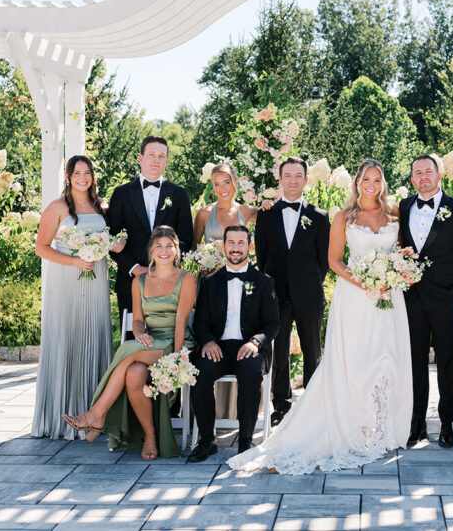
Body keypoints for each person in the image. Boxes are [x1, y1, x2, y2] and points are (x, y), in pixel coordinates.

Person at [228, 159, 413, 474]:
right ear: (357, 182)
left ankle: (383, 428)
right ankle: (335, 421)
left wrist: (398, 272)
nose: (371, 184)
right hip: (356, 297)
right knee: (354, 364)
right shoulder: (343, 217)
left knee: (388, 358)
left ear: (382, 183)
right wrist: (368, 283)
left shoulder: (394, 215)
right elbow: (334, 261)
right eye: (366, 179)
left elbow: (402, 253)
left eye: (377, 179)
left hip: (389, 299)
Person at [62, 226, 196, 460]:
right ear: (151, 251)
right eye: (158, 246)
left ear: (177, 250)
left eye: (169, 246)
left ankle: (96, 414)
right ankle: (150, 437)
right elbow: (136, 321)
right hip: (148, 343)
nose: (164, 251)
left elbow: (181, 322)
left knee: (127, 349)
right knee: (134, 373)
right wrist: (140, 333)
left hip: (176, 342)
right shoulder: (140, 281)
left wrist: (176, 358)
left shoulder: (187, 278)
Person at [32, 155, 123, 440]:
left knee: (94, 338)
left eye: (88, 173)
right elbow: (41, 248)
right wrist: (74, 262)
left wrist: (116, 245)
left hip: (95, 284)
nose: (83, 178)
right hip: (66, 283)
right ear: (68, 177)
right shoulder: (56, 208)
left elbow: (109, 242)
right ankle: (60, 418)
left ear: (93, 176)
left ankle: (95, 416)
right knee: (66, 339)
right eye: (77, 173)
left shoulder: (102, 207)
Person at [400, 154, 453, 449]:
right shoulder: (405, 206)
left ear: (439, 175)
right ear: (412, 179)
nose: (423, 176)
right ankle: (417, 423)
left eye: (428, 171)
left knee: (446, 362)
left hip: (447, 299)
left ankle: (446, 424)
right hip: (412, 298)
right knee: (415, 362)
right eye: (417, 172)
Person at [187, 225, 280, 462]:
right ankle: (207, 439)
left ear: (249, 247)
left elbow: (272, 323)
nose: (236, 248)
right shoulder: (209, 282)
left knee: (250, 372)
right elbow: (200, 322)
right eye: (231, 242)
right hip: (219, 347)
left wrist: (255, 343)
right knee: (199, 372)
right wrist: (207, 341)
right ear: (223, 246)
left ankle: (246, 440)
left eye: (241, 243)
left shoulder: (264, 281)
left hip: (249, 347)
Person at [254, 157, 330, 427]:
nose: (294, 180)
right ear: (280, 179)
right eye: (288, 175)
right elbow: (262, 258)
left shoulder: (319, 217)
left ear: (306, 180)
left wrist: (308, 282)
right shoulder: (266, 214)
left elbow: (324, 261)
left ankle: (312, 404)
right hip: (275, 294)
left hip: (309, 293)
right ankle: (281, 405)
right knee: (279, 351)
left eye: (299, 176)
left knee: (313, 350)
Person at [108, 136, 193, 324]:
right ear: (141, 158)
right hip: (130, 281)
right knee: (132, 336)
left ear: (166, 161)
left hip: (170, 283)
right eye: (152, 155)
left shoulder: (179, 194)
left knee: (168, 337)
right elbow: (111, 239)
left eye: (161, 156)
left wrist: (166, 269)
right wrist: (135, 268)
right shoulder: (121, 194)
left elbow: (186, 238)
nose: (156, 160)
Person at [192, 162, 257, 248]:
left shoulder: (248, 211)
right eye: (217, 184)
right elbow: (193, 249)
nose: (222, 189)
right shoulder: (204, 213)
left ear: (235, 182)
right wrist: (206, 260)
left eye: (227, 182)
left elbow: (273, 224)